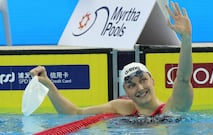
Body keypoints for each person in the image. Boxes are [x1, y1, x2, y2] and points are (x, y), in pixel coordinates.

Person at [30, 1, 193, 116]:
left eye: (143, 80)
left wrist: (186, 39)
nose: (139, 87)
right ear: (125, 91)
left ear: (152, 80)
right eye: (131, 85)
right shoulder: (121, 108)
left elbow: (183, 79)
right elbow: (75, 113)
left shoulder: (172, 109)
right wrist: (49, 87)